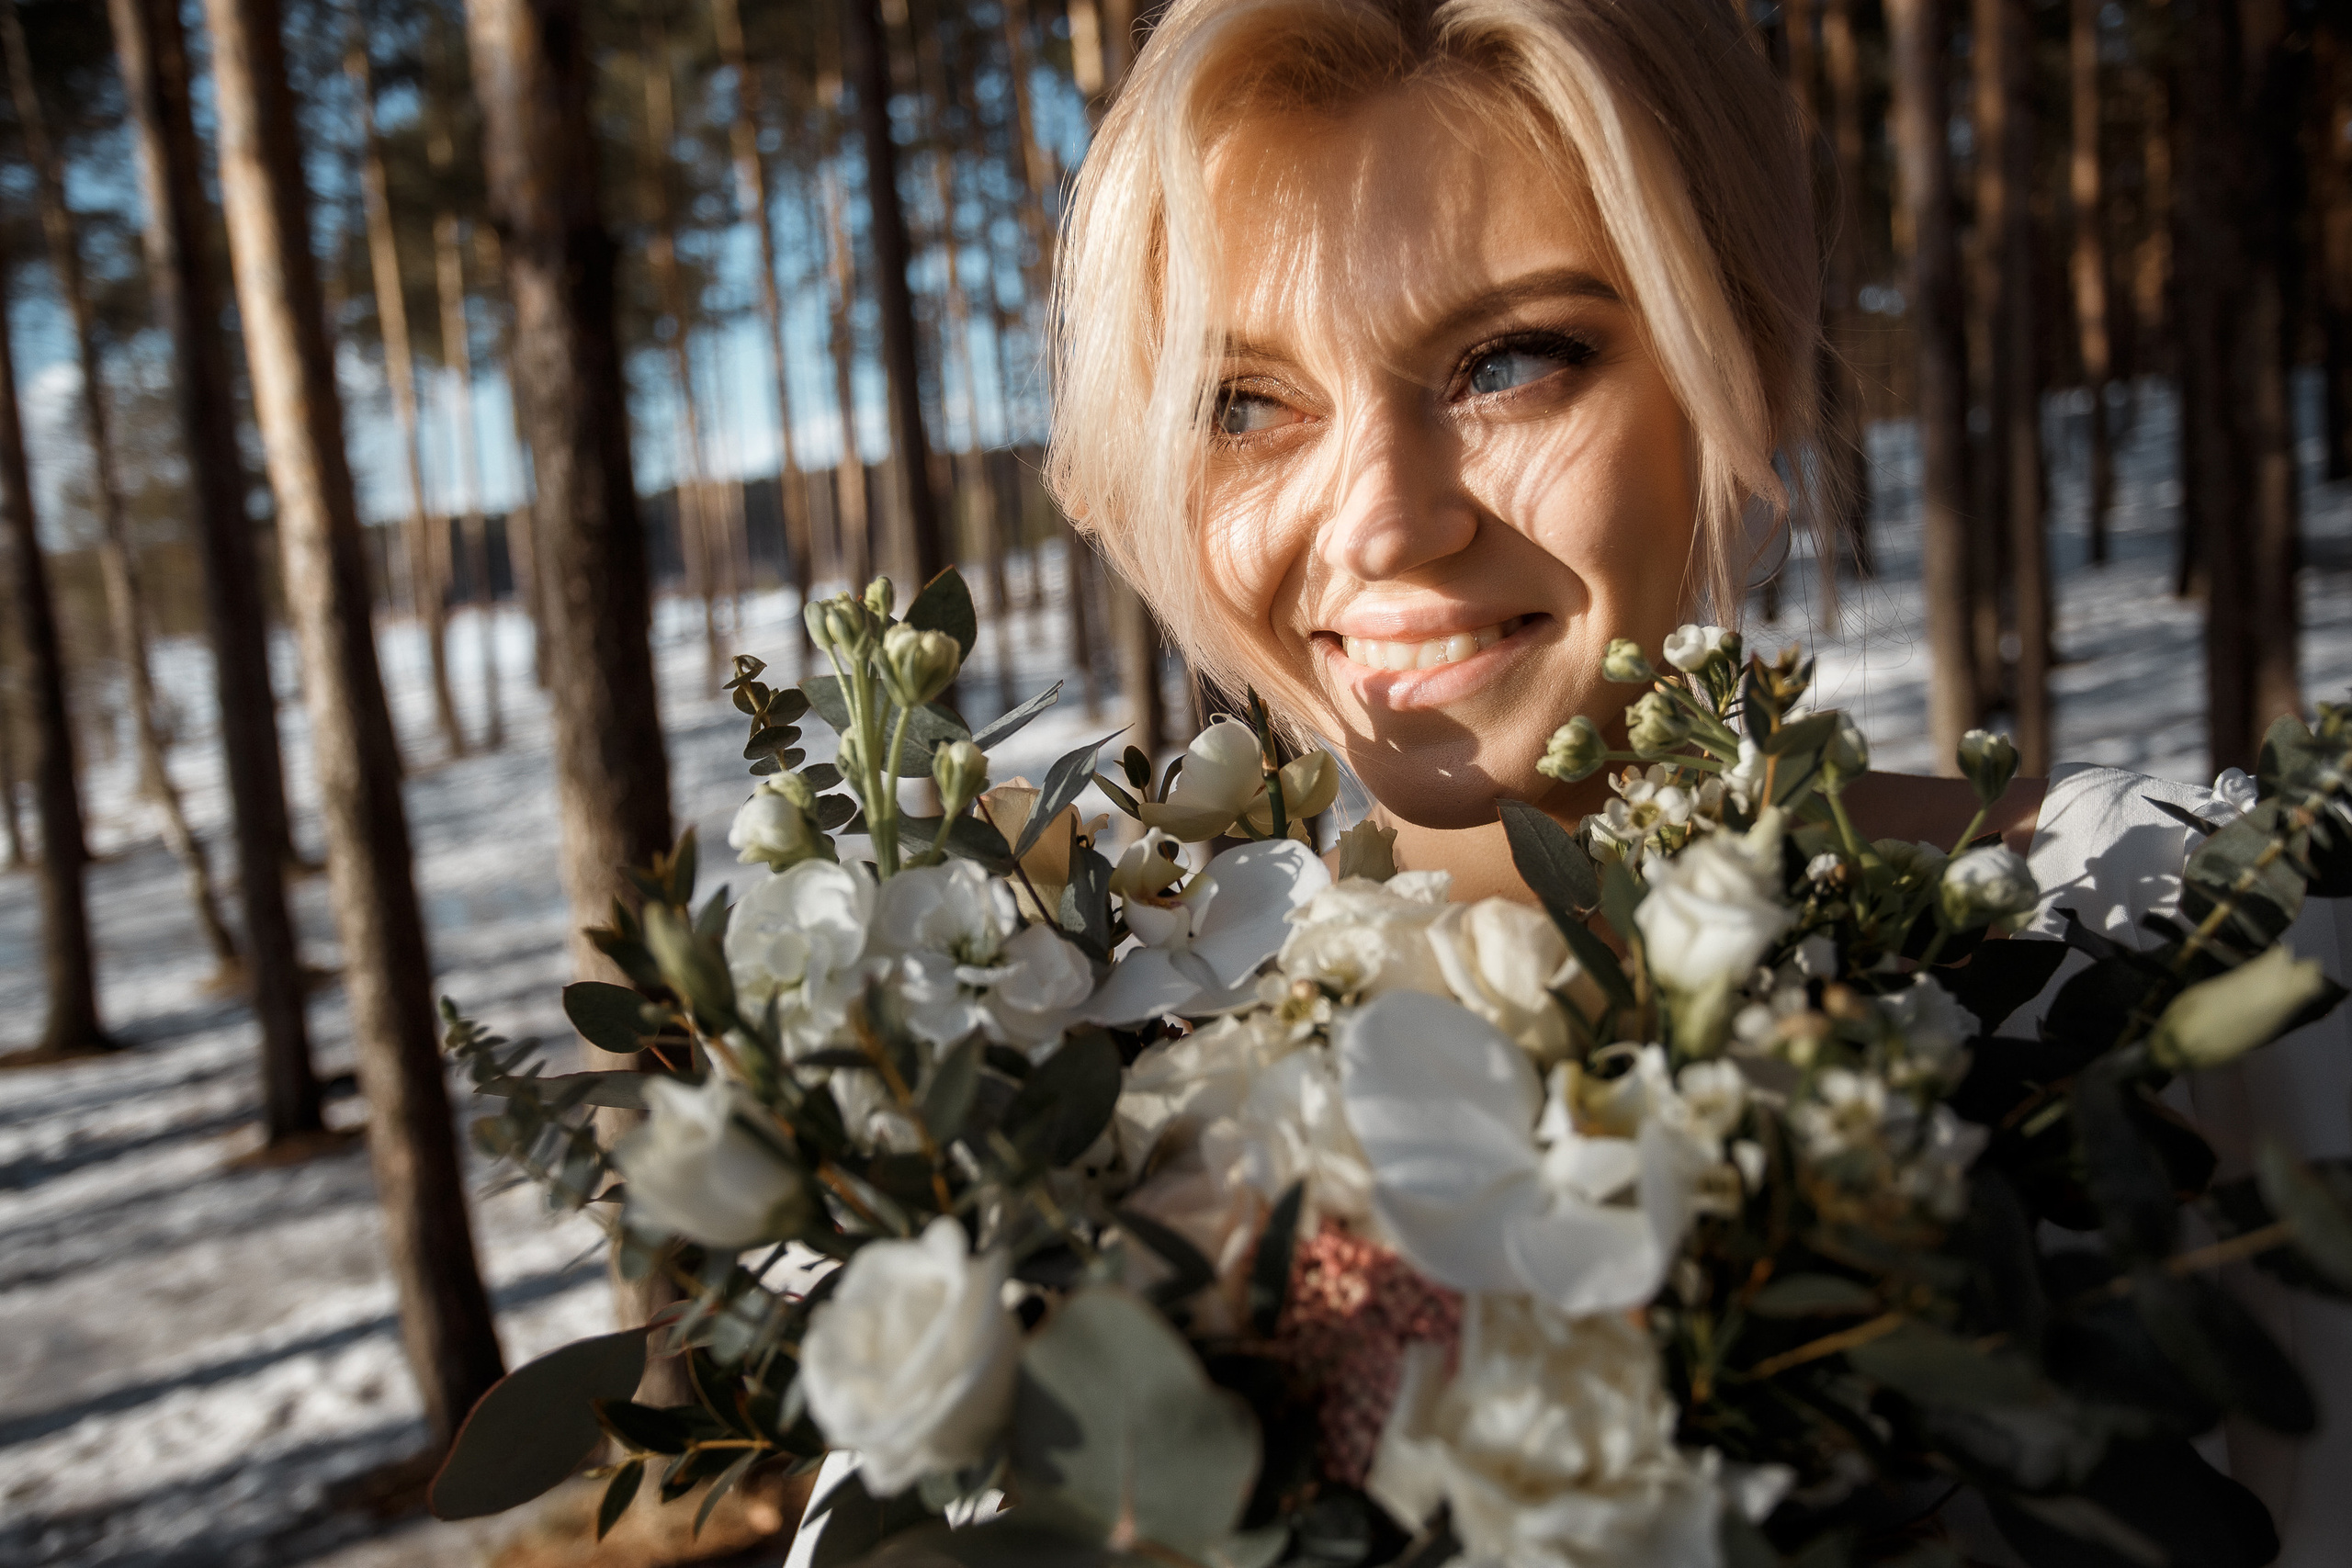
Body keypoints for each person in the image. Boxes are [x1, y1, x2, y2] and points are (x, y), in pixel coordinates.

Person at [1038, 0, 2352, 1562]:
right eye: (1242, 404)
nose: (1381, 526)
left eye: (1508, 361)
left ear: (1746, 359)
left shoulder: (2199, 961)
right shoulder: (1047, 1101)